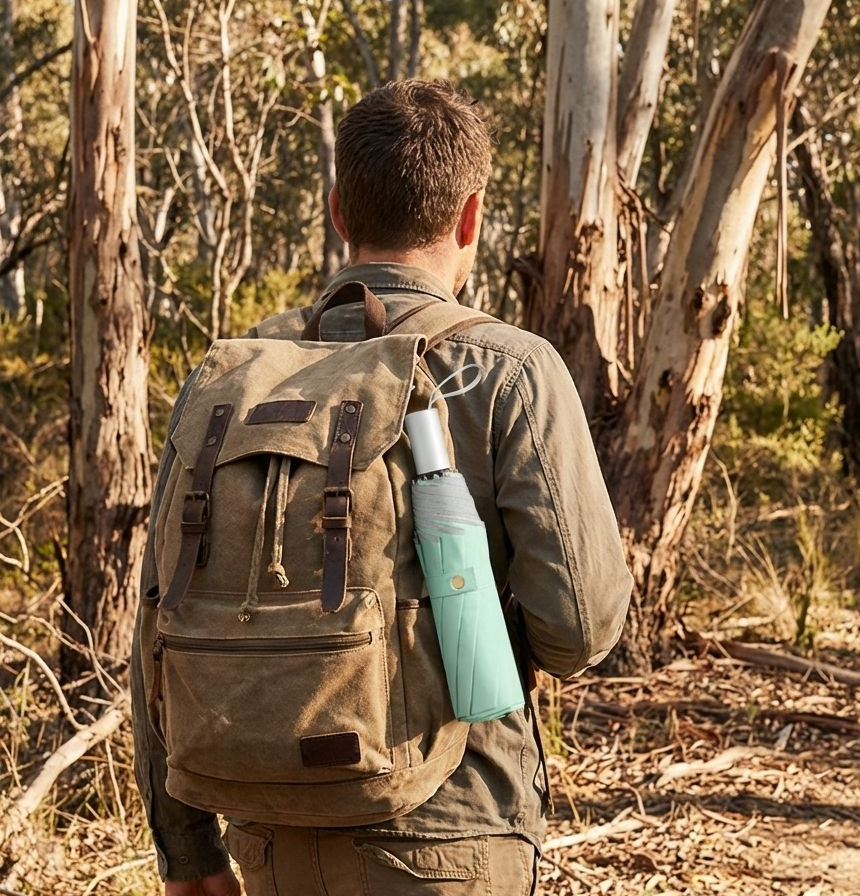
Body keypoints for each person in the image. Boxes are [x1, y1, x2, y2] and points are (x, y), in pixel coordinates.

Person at [132, 79, 633, 896]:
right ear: (471, 216)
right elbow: (580, 630)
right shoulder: (509, 369)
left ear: (338, 210)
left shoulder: (231, 380)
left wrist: (186, 852)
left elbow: (158, 615)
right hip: (453, 828)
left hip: (265, 833)